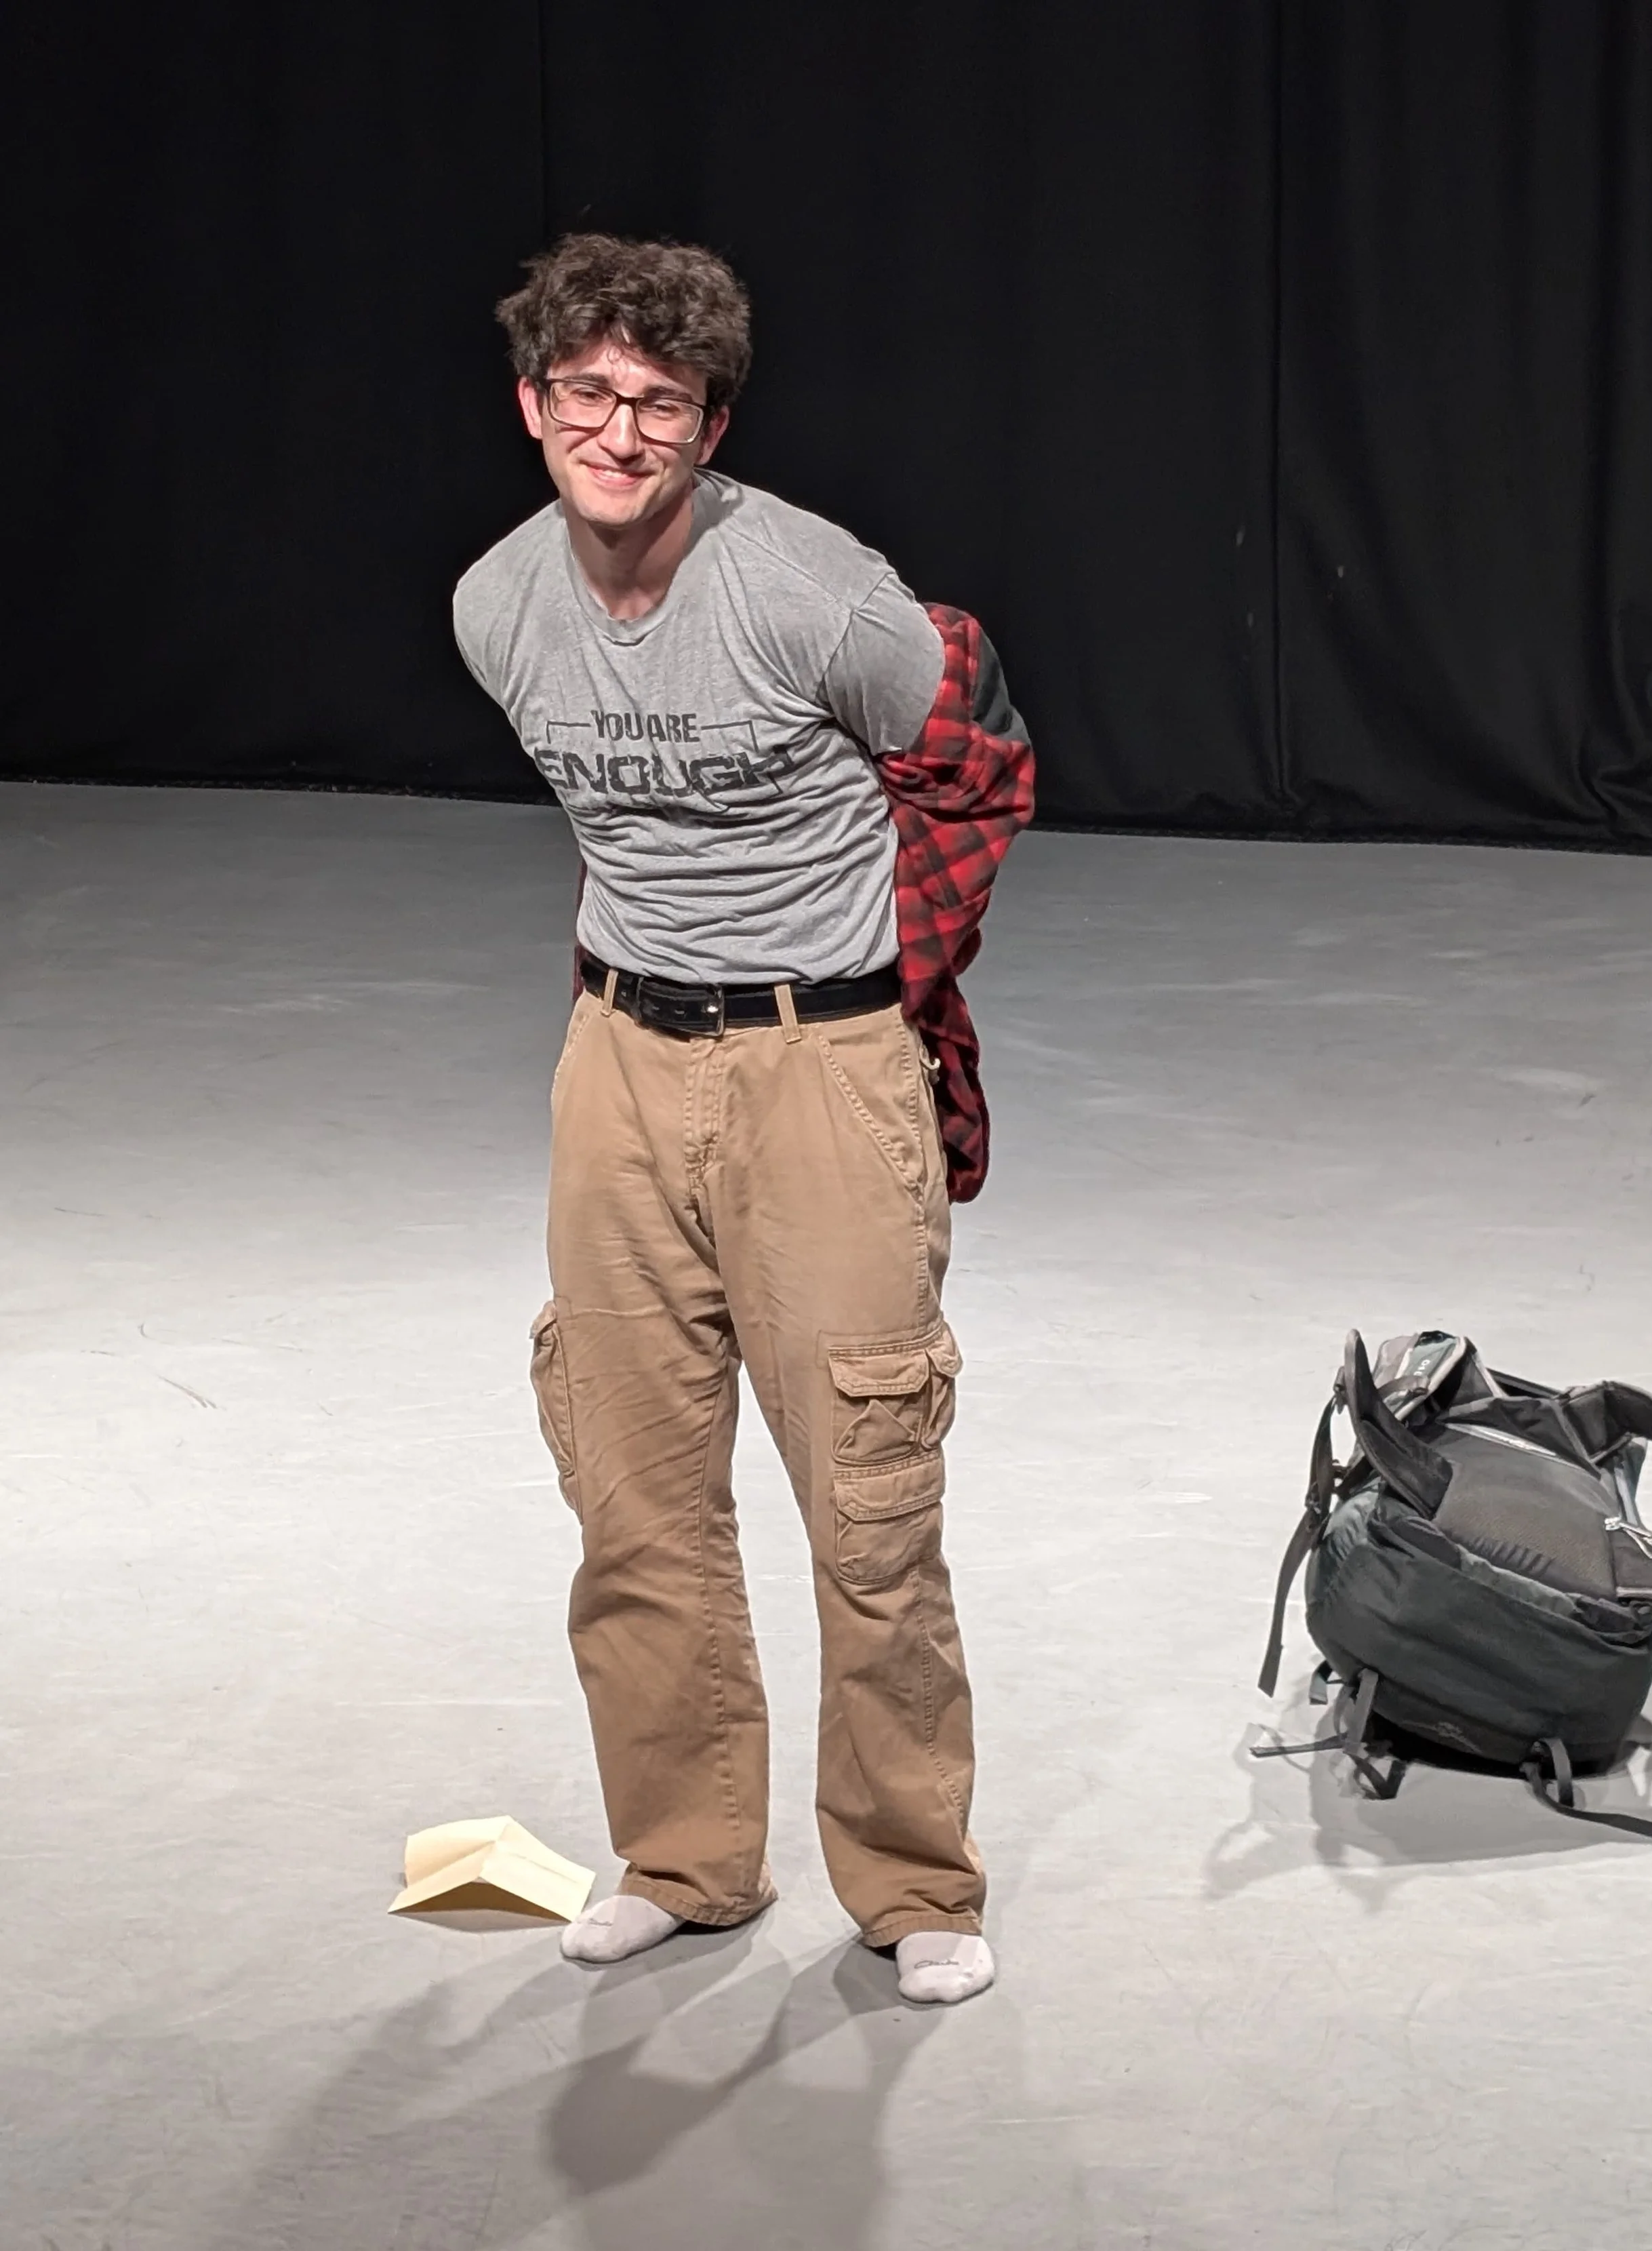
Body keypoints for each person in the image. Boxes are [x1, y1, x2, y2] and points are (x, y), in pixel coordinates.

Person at [454, 233, 1021, 2005]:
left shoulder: (809, 592)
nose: (619, 433)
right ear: (533, 402)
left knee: (866, 1496)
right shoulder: (498, 606)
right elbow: (617, 845)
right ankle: (686, 1857)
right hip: (616, 1063)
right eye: (589, 395)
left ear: (710, 422)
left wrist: (900, 995)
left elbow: (975, 755)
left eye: (661, 403)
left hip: (822, 1067)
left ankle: (913, 1885)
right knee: (631, 1490)